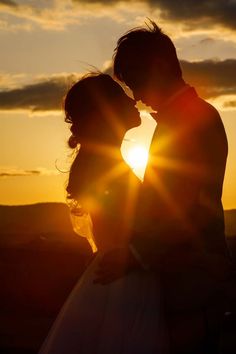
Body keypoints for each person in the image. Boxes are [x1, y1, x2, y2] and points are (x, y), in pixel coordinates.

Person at [96, 21, 232, 353]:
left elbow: (185, 207)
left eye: (136, 82)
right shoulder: (185, 117)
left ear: (158, 68)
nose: (138, 97)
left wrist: (134, 256)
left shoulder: (192, 119)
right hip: (183, 277)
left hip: (193, 280)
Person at [39, 73, 169, 354]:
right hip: (124, 285)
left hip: (122, 279)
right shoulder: (102, 167)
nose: (133, 101)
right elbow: (127, 230)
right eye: (122, 97)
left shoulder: (104, 161)